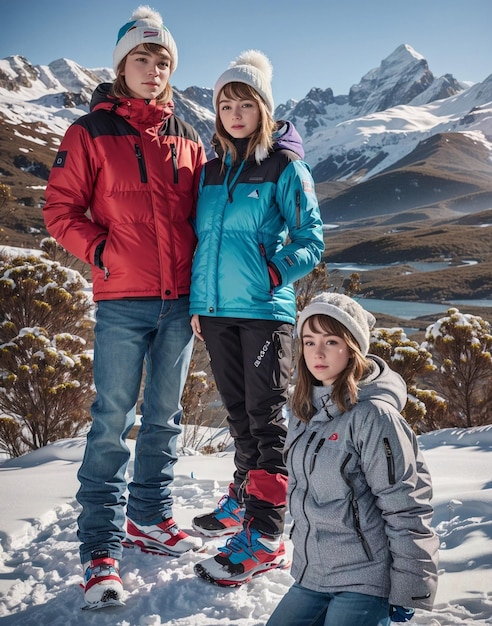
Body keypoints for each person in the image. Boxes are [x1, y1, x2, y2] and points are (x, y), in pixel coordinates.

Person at [43, 6, 207, 609]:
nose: (154, 69)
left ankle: (149, 518)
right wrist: (102, 250)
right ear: (122, 66)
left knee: (164, 420)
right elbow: (60, 210)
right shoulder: (89, 133)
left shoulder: (186, 141)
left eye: (163, 60)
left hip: (178, 304)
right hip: (122, 301)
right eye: (143, 58)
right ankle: (100, 549)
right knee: (112, 422)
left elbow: (203, 219)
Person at [189, 49, 324, 587]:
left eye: (245, 102)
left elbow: (311, 241)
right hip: (218, 313)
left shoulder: (285, 165)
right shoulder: (211, 169)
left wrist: (273, 274)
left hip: (265, 313)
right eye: (225, 103)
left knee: (266, 420)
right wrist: (202, 303)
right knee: (239, 413)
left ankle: (266, 533)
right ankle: (246, 496)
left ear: (263, 108)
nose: (234, 112)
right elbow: (205, 242)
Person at [266, 292, 439, 626]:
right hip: (312, 575)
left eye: (331, 341)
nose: (317, 352)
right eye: (308, 341)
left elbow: (407, 504)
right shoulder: (304, 409)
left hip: (365, 579)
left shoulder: (373, 416)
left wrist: (409, 586)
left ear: (353, 347)